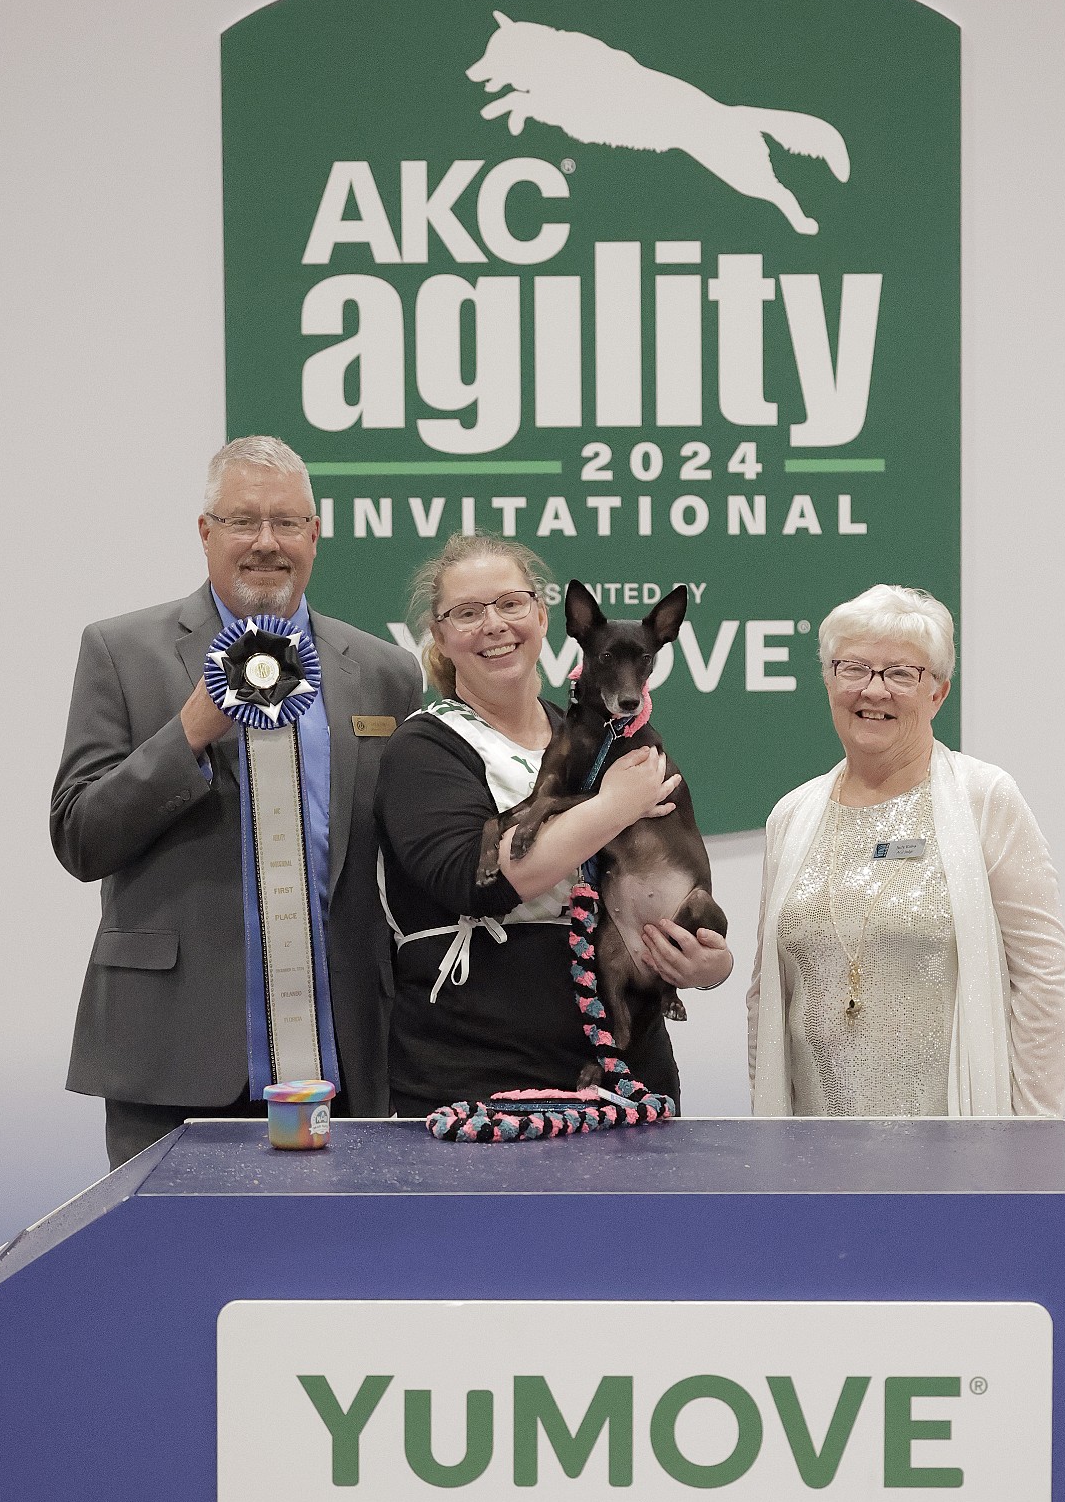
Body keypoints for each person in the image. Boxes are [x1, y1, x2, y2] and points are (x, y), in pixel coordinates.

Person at [52, 436, 423, 1166]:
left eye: (286, 522)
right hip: (171, 1054)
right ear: (205, 531)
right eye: (243, 521)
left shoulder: (385, 672)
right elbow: (80, 836)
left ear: (314, 533)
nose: (266, 543)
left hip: (349, 1058)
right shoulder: (121, 652)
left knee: (337, 1244)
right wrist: (187, 733)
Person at [374, 535, 733, 1115]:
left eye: (511, 604)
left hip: (624, 1074)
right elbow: (476, 883)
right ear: (439, 637)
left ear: (543, 619)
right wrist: (614, 805)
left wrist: (708, 965)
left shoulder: (592, 739)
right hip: (479, 1077)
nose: (494, 624)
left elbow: (647, 883)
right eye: (467, 612)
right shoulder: (425, 748)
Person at [747, 584, 1065, 1117]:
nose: (874, 691)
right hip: (813, 1148)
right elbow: (766, 996)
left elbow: (1040, 980)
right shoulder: (791, 816)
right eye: (854, 669)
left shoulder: (986, 799)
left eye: (900, 674)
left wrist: (1035, 1137)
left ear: (938, 693)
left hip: (957, 1146)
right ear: (829, 681)